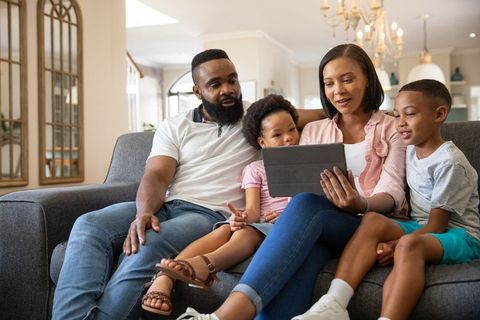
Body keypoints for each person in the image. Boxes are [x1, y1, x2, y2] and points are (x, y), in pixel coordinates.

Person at [52, 48, 324, 320]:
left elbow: (322, 112)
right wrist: (143, 213)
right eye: (215, 84)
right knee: (88, 224)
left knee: (149, 243)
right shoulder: (175, 125)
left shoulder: (257, 118)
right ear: (197, 92)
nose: (228, 89)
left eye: (233, 80)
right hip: (168, 205)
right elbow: (157, 175)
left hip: (208, 215)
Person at [177, 43, 408, 320]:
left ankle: (224, 315)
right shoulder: (313, 130)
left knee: (308, 203)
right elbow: (297, 182)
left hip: (368, 224)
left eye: (347, 80)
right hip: (324, 231)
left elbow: (393, 191)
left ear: (367, 79)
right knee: (304, 256)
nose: (338, 91)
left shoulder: (393, 128)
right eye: (329, 83)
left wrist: (359, 202)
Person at [293, 79, 480, 320]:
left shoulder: (449, 162)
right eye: (397, 114)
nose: (400, 123)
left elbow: (437, 226)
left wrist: (393, 245)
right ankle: (334, 304)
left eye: (410, 114)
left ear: (439, 115)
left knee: (408, 246)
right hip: (422, 225)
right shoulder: (410, 146)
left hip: (460, 235)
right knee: (372, 220)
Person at [141, 94, 300, 316]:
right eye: (278, 135)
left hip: (286, 225)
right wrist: (243, 218)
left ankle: (204, 265)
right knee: (229, 227)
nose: (289, 138)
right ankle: (167, 275)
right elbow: (253, 210)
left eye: (292, 130)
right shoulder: (255, 169)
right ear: (262, 143)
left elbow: (309, 205)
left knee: (244, 236)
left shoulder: (306, 164)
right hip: (261, 221)